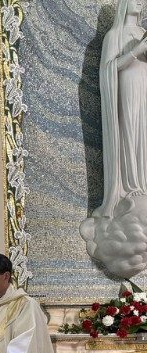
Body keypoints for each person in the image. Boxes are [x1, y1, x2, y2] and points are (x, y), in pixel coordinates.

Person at [95, 0, 147, 218]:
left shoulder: (142, 32)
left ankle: (144, 182)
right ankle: (130, 185)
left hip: (144, 86)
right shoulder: (113, 35)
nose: (140, 2)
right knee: (129, 131)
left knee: (144, 133)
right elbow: (109, 68)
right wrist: (136, 51)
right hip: (126, 88)